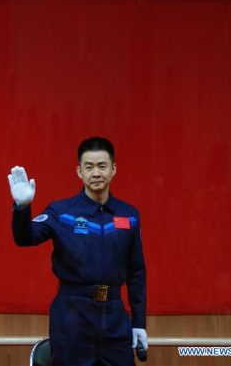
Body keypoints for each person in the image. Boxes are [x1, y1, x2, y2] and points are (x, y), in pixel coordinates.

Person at [8, 137, 147, 366]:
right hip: (72, 316)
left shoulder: (129, 215)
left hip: (114, 316)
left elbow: (137, 272)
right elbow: (25, 238)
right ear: (79, 171)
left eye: (102, 166)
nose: (96, 173)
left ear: (113, 169)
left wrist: (139, 322)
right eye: (89, 167)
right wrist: (22, 208)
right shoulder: (61, 212)